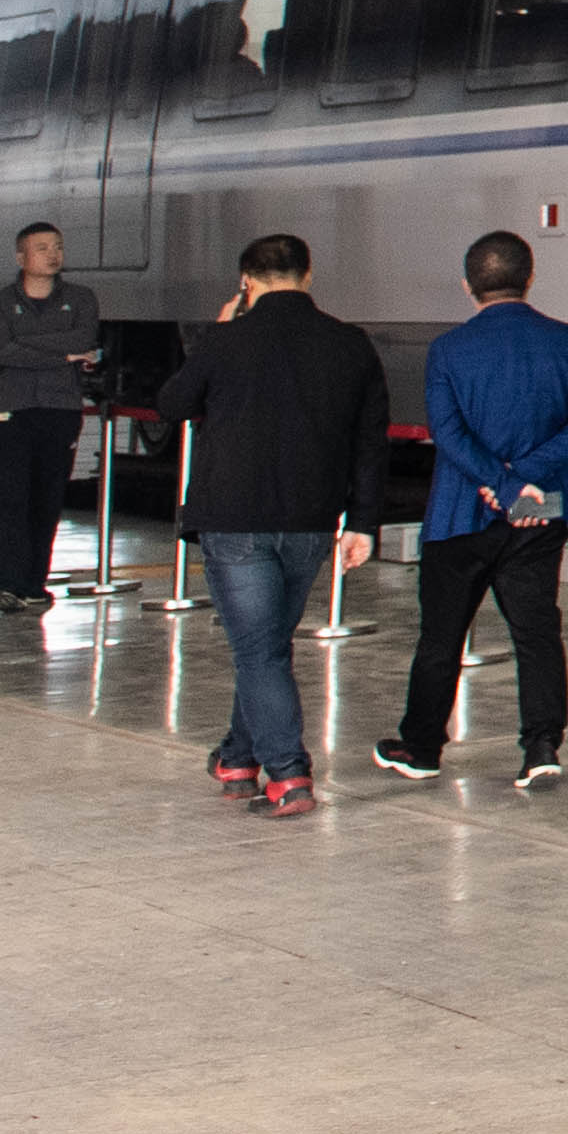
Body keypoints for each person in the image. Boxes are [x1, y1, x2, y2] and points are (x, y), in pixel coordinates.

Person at [157, 234, 385, 815]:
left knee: (259, 652)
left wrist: (214, 336)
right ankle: (237, 757)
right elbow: (369, 443)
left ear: (246, 282)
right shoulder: (350, 344)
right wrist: (362, 522)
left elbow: (172, 405)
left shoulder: (225, 340)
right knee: (266, 647)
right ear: (308, 276)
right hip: (311, 519)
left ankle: (288, 773)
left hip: (234, 517)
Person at [378, 228, 568, 791]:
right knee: (537, 633)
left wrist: (499, 483)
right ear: (530, 278)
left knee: (441, 636)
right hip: (540, 509)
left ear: (467, 286)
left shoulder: (448, 349)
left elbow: (447, 432)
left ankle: (422, 749)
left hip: (460, 514)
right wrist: (523, 478)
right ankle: (541, 746)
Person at [0, 223, 102, 612]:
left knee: (47, 499)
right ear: (21, 257)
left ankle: (33, 584)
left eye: (57, 247)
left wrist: (26, 344)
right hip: (9, 410)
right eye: (42, 248)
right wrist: (63, 356)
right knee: (7, 498)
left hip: (60, 409)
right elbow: (0, 351)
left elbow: (83, 340)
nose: (52, 254)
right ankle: (6, 585)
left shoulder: (81, 299)